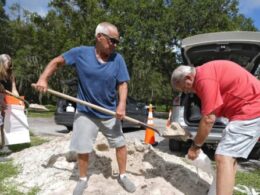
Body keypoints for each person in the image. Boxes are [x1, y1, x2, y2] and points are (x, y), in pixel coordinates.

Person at [34, 22, 136, 195]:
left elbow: (122, 84)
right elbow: (57, 62)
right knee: (83, 147)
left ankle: (123, 175)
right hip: (85, 111)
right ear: (99, 37)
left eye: (117, 41)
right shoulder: (80, 53)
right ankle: (82, 179)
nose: (115, 45)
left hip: (109, 112)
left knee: (120, 144)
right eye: (112, 40)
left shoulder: (117, 59)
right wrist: (43, 78)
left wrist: (122, 104)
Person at [171, 60, 260, 195]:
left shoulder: (204, 79)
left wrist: (195, 147)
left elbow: (208, 119)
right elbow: (212, 111)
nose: (187, 92)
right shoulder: (206, 74)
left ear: (188, 77)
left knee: (223, 157)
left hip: (251, 109)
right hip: (248, 110)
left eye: (185, 88)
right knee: (229, 159)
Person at [0, 54, 19, 153]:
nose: (10, 65)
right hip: (0, 99)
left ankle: (5, 144)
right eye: (8, 63)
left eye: (11, 62)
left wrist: (18, 99)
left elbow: (14, 88)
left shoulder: (11, 74)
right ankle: (3, 144)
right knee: (0, 123)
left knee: (6, 123)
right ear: (2, 63)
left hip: (6, 99)